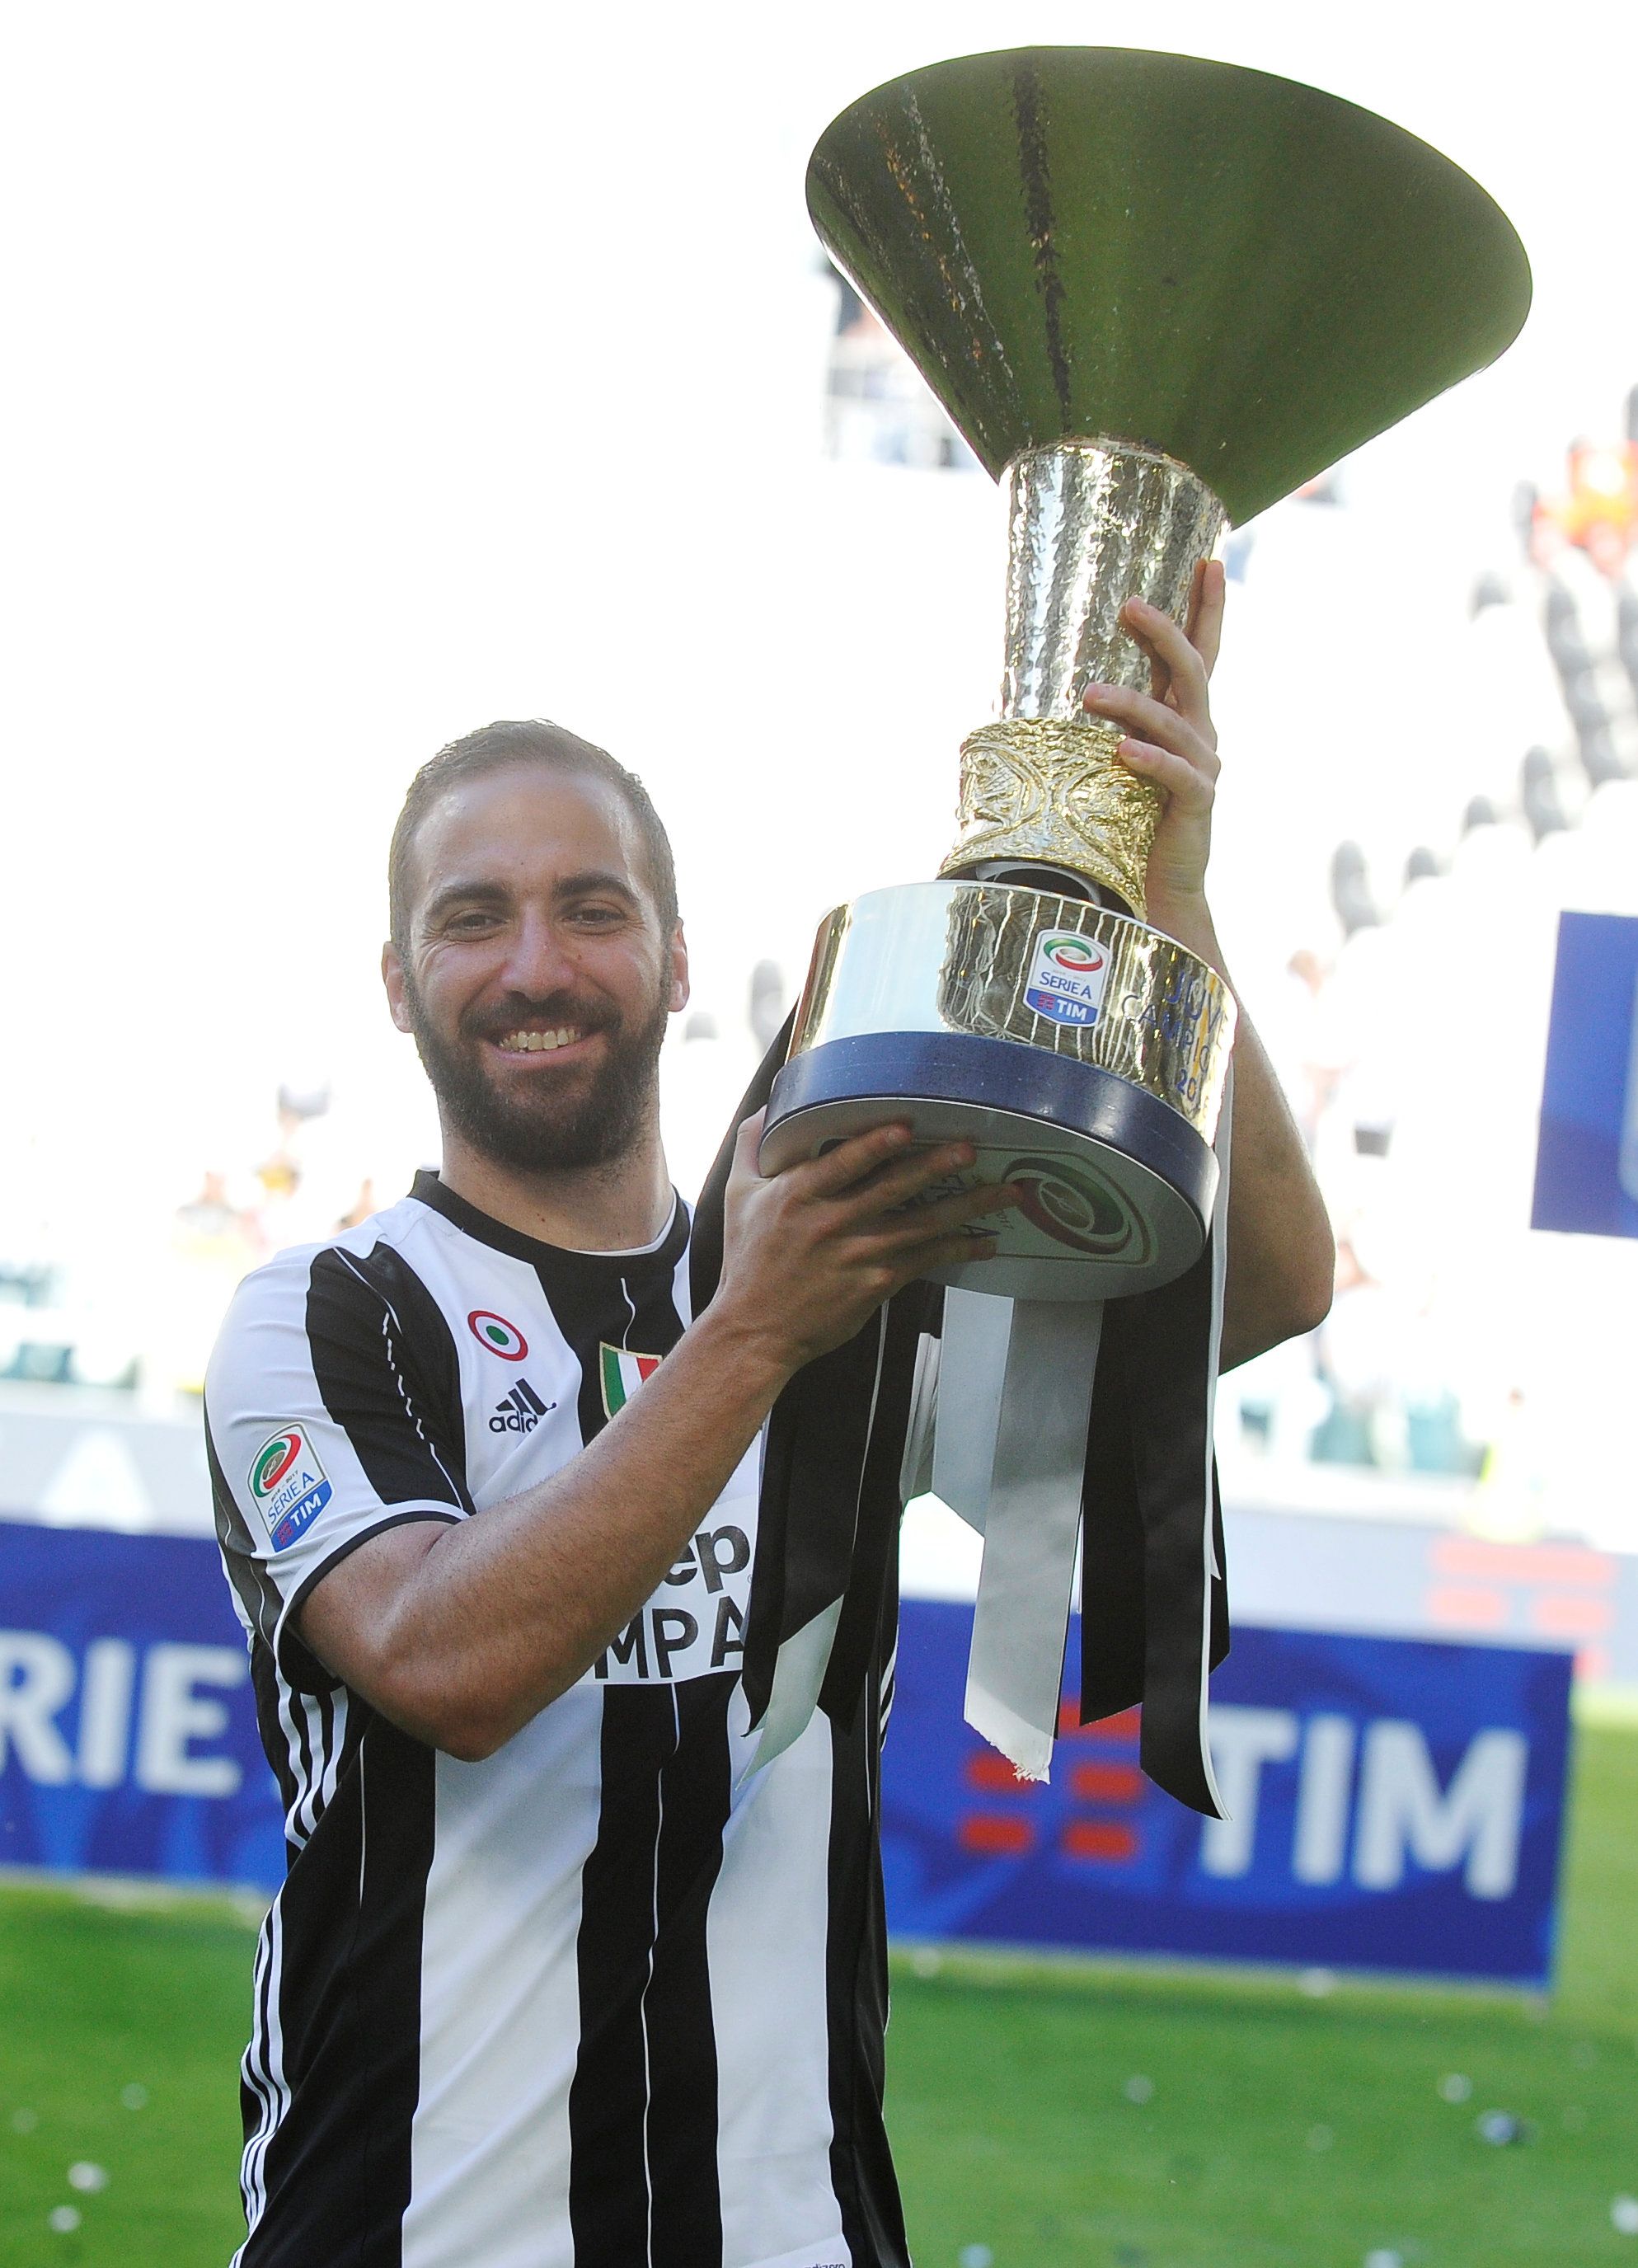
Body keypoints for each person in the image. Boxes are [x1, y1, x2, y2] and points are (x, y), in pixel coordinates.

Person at [204, 563, 1332, 2268]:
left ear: (674, 960)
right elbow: (445, 1666)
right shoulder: (327, 1312)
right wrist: (752, 1337)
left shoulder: (843, 1270)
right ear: (396, 977)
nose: (534, 964)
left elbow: (1262, 1292)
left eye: (592, 909)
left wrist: (1171, 906)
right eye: (473, 917)